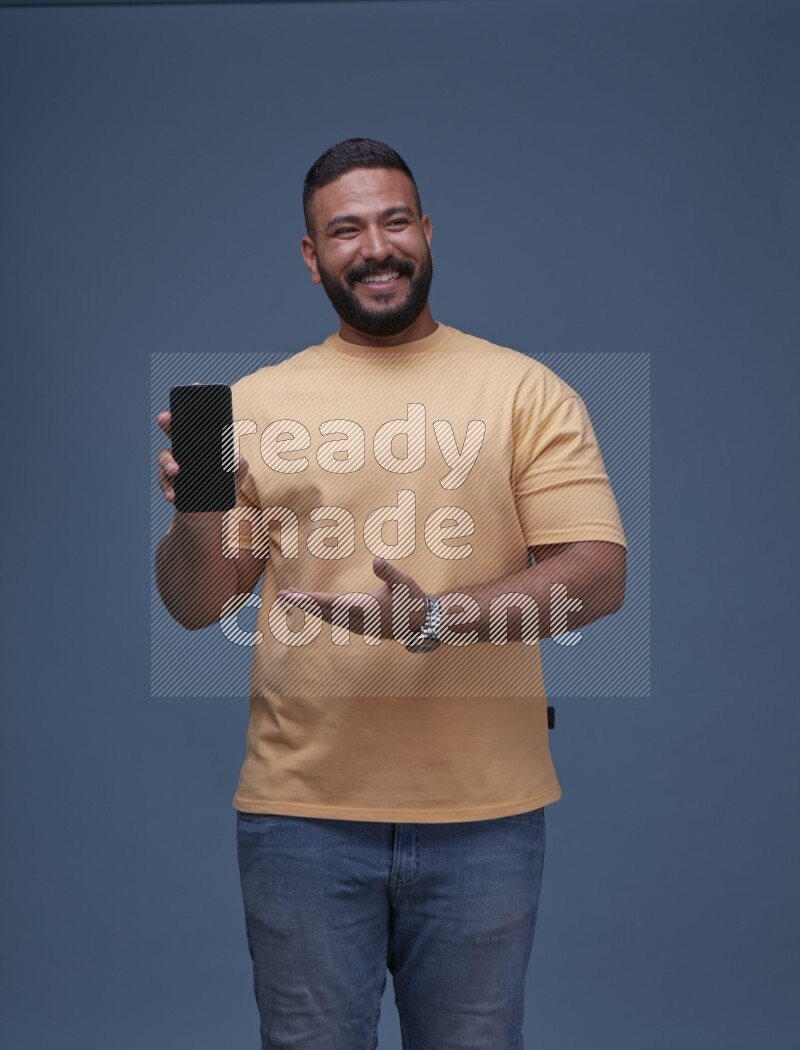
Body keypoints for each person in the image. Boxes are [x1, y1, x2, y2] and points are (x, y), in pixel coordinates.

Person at [155, 137, 627, 1050]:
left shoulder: (525, 391)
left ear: (428, 232)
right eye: (346, 230)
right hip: (301, 820)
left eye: (395, 220)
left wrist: (437, 620)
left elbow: (598, 578)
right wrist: (194, 515)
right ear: (312, 256)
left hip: (486, 818)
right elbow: (197, 603)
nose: (376, 246)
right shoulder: (241, 407)